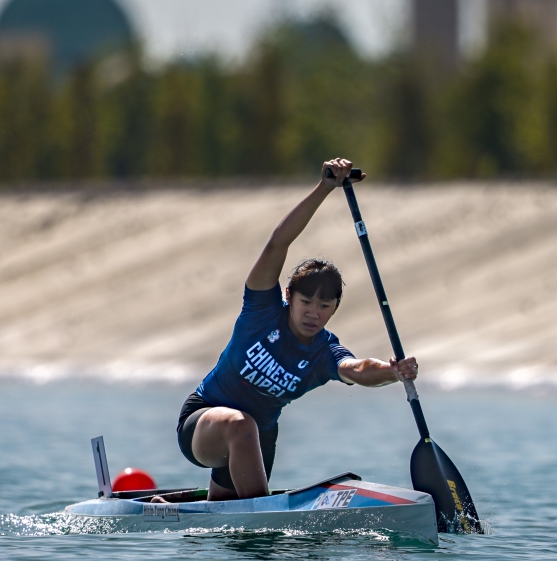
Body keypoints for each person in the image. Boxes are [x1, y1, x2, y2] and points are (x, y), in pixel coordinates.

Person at [171, 158, 419, 502]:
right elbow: (278, 243)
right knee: (242, 426)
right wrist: (325, 189)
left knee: (237, 533)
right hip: (204, 423)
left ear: (334, 309)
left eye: (324, 306)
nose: (313, 313)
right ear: (290, 296)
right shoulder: (262, 310)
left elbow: (358, 369)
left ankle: (175, 509)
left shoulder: (324, 352)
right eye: (306, 302)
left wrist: (393, 371)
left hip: (258, 440)